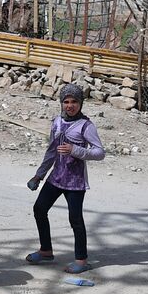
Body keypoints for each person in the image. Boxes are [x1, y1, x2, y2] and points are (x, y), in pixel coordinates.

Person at [25, 83, 106, 274]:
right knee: (39, 209)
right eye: (66, 102)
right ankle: (46, 250)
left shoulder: (86, 126)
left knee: (75, 219)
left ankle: (81, 260)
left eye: (74, 102)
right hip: (56, 178)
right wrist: (39, 175)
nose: (70, 105)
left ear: (81, 103)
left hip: (75, 182)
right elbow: (51, 152)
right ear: (61, 103)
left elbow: (100, 153)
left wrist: (75, 150)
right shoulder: (57, 122)